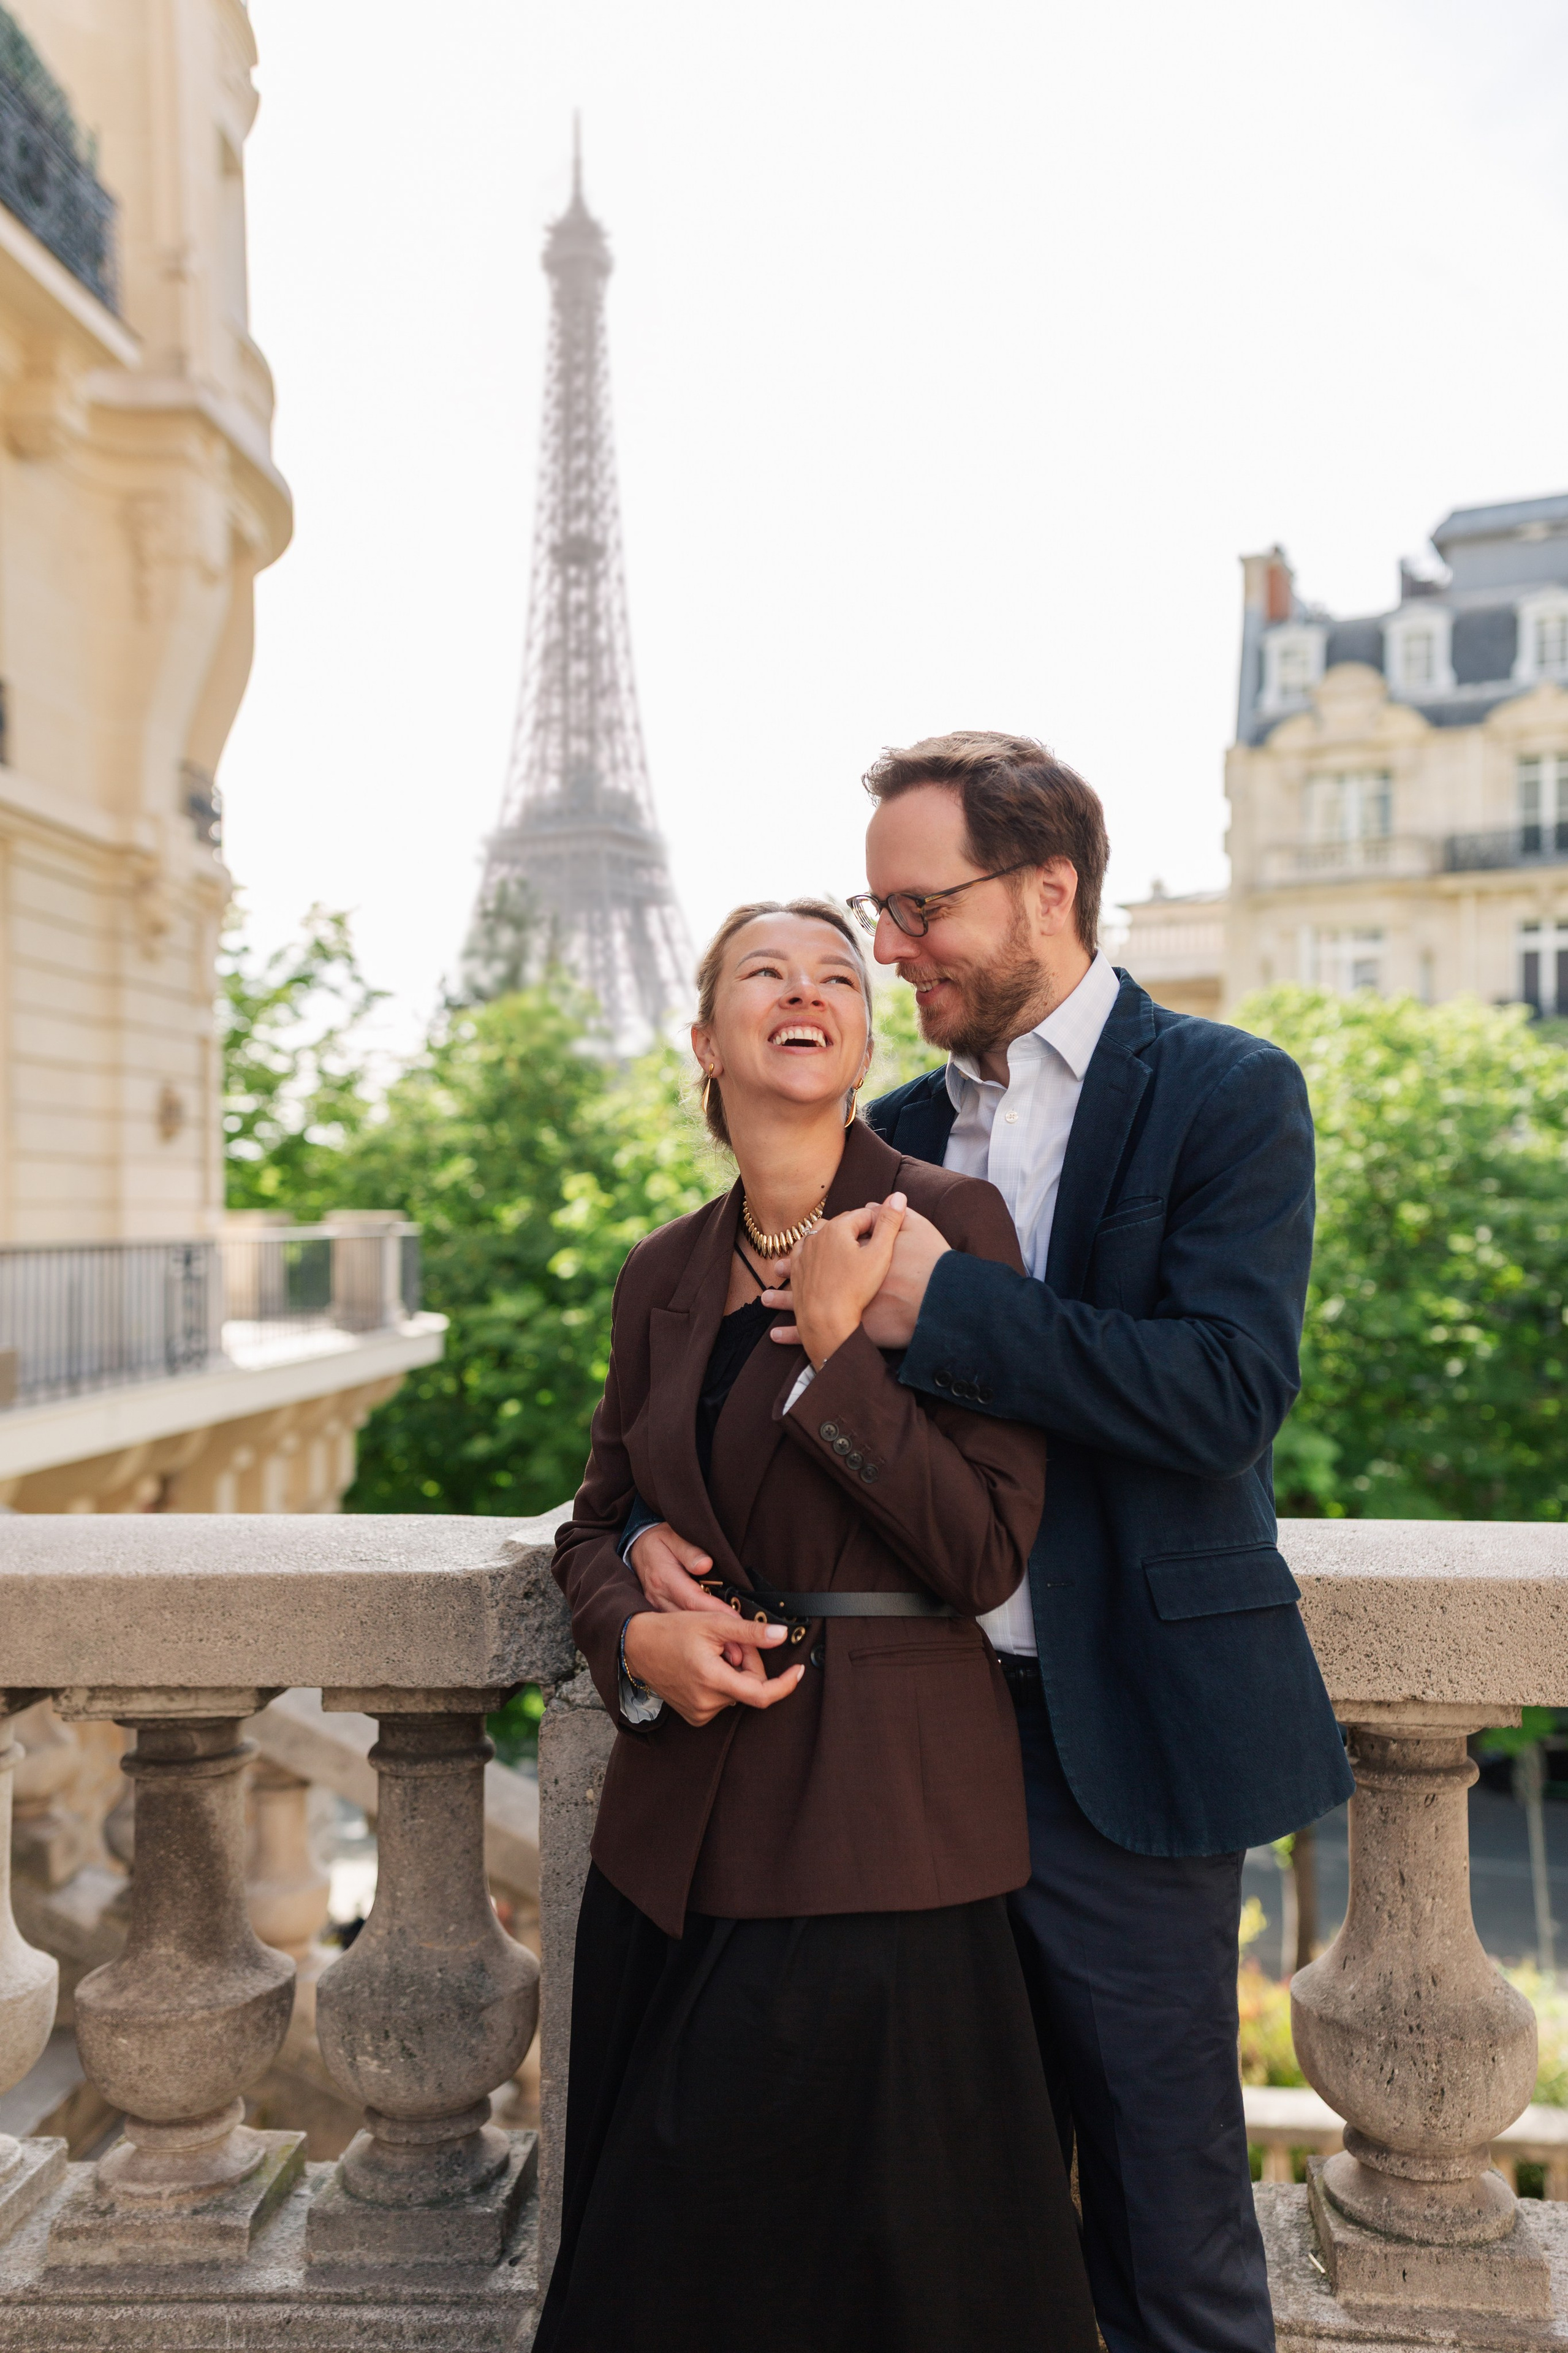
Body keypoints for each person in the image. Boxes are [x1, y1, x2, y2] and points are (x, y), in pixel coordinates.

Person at [627, 737, 1357, 2353]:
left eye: (916, 909)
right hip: (892, 1759)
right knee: (938, 2225)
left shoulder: (1225, 1090)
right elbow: (722, 1412)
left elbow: (1225, 1393)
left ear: (1047, 889)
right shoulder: (885, 1128)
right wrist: (641, 1552)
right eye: (878, 913)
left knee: (1168, 2232)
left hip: (1124, 1747)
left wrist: (944, 1308)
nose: (888, 949)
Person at [538, 895, 1098, 2353]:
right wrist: (632, 1633)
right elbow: (589, 1523)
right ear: (705, 1040)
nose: (806, 993)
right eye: (765, 974)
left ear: (859, 1040)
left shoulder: (948, 1226)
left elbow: (980, 1549)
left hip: (880, 1831)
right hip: (676, 1843)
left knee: (900, 2295)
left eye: (837, 977)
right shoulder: (660, 1272)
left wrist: (840, 1345)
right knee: (661, 2290)